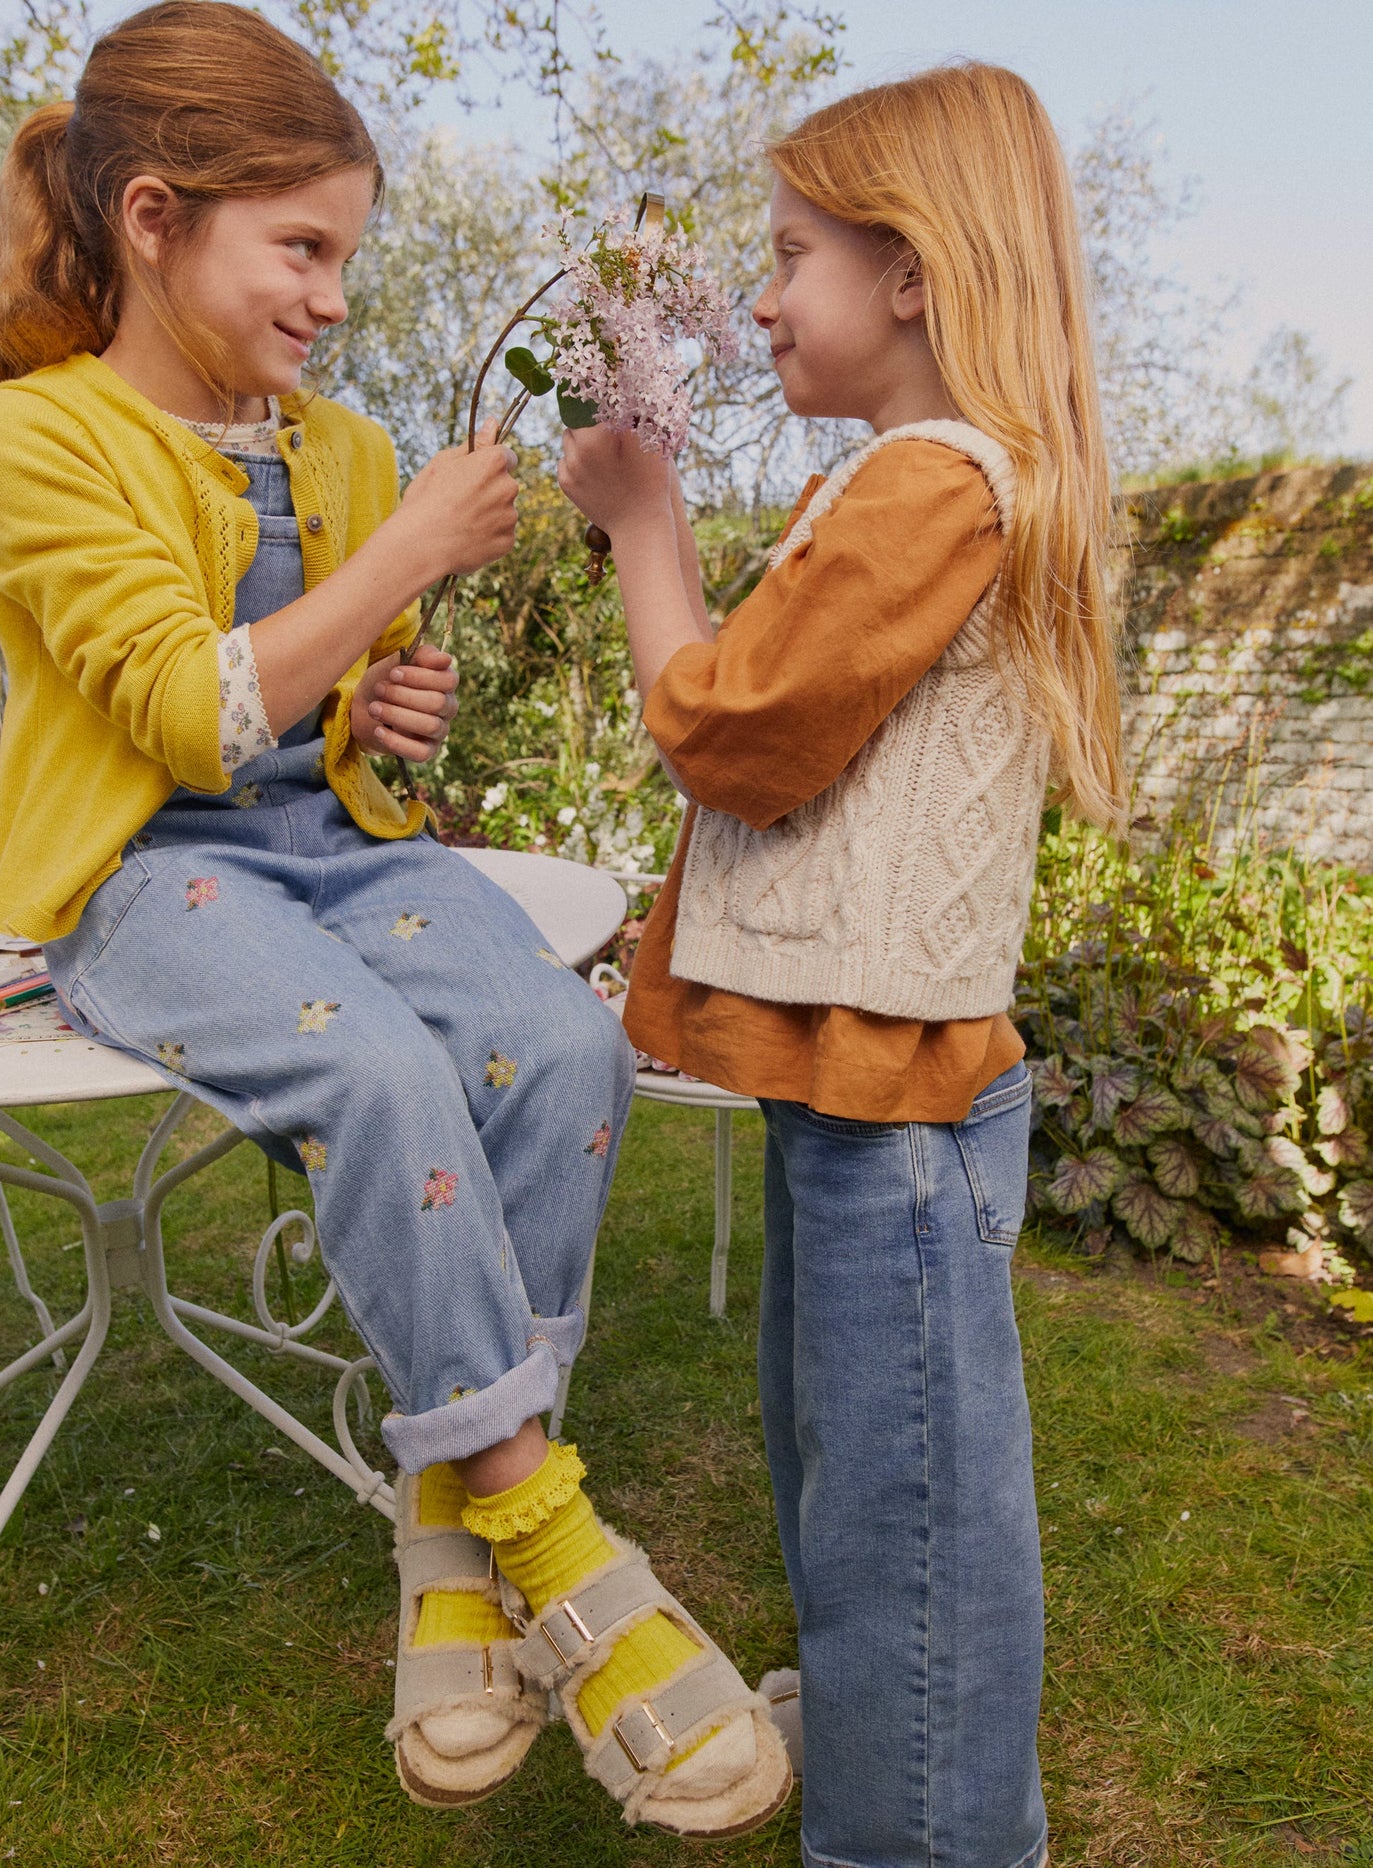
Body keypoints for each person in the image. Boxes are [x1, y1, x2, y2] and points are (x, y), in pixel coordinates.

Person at [0, 1, 792, 1835]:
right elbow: (189, 713)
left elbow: (336, 709)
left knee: (565, 1047)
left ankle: (446, 1544)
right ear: (155, 220)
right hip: (142, 872)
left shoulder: (335, 447)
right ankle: (550, 1545)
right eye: (303, 249)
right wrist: (408, 556)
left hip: (329, 847)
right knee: (386, 1080)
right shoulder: (37, 437)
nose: (333, 297)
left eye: (346, 256)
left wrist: (387, 708)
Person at [558, 62, 1127, 1868]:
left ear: (912, 273)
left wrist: (642, 524)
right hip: (853, 1083)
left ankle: (928, 1831)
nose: (757, 297)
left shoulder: (933, 482)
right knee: (854, 1471)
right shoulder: (905, 481)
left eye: (788, 254)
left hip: (893, 1103)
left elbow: (732, 729)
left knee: (910, 1512)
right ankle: (891, 1740)